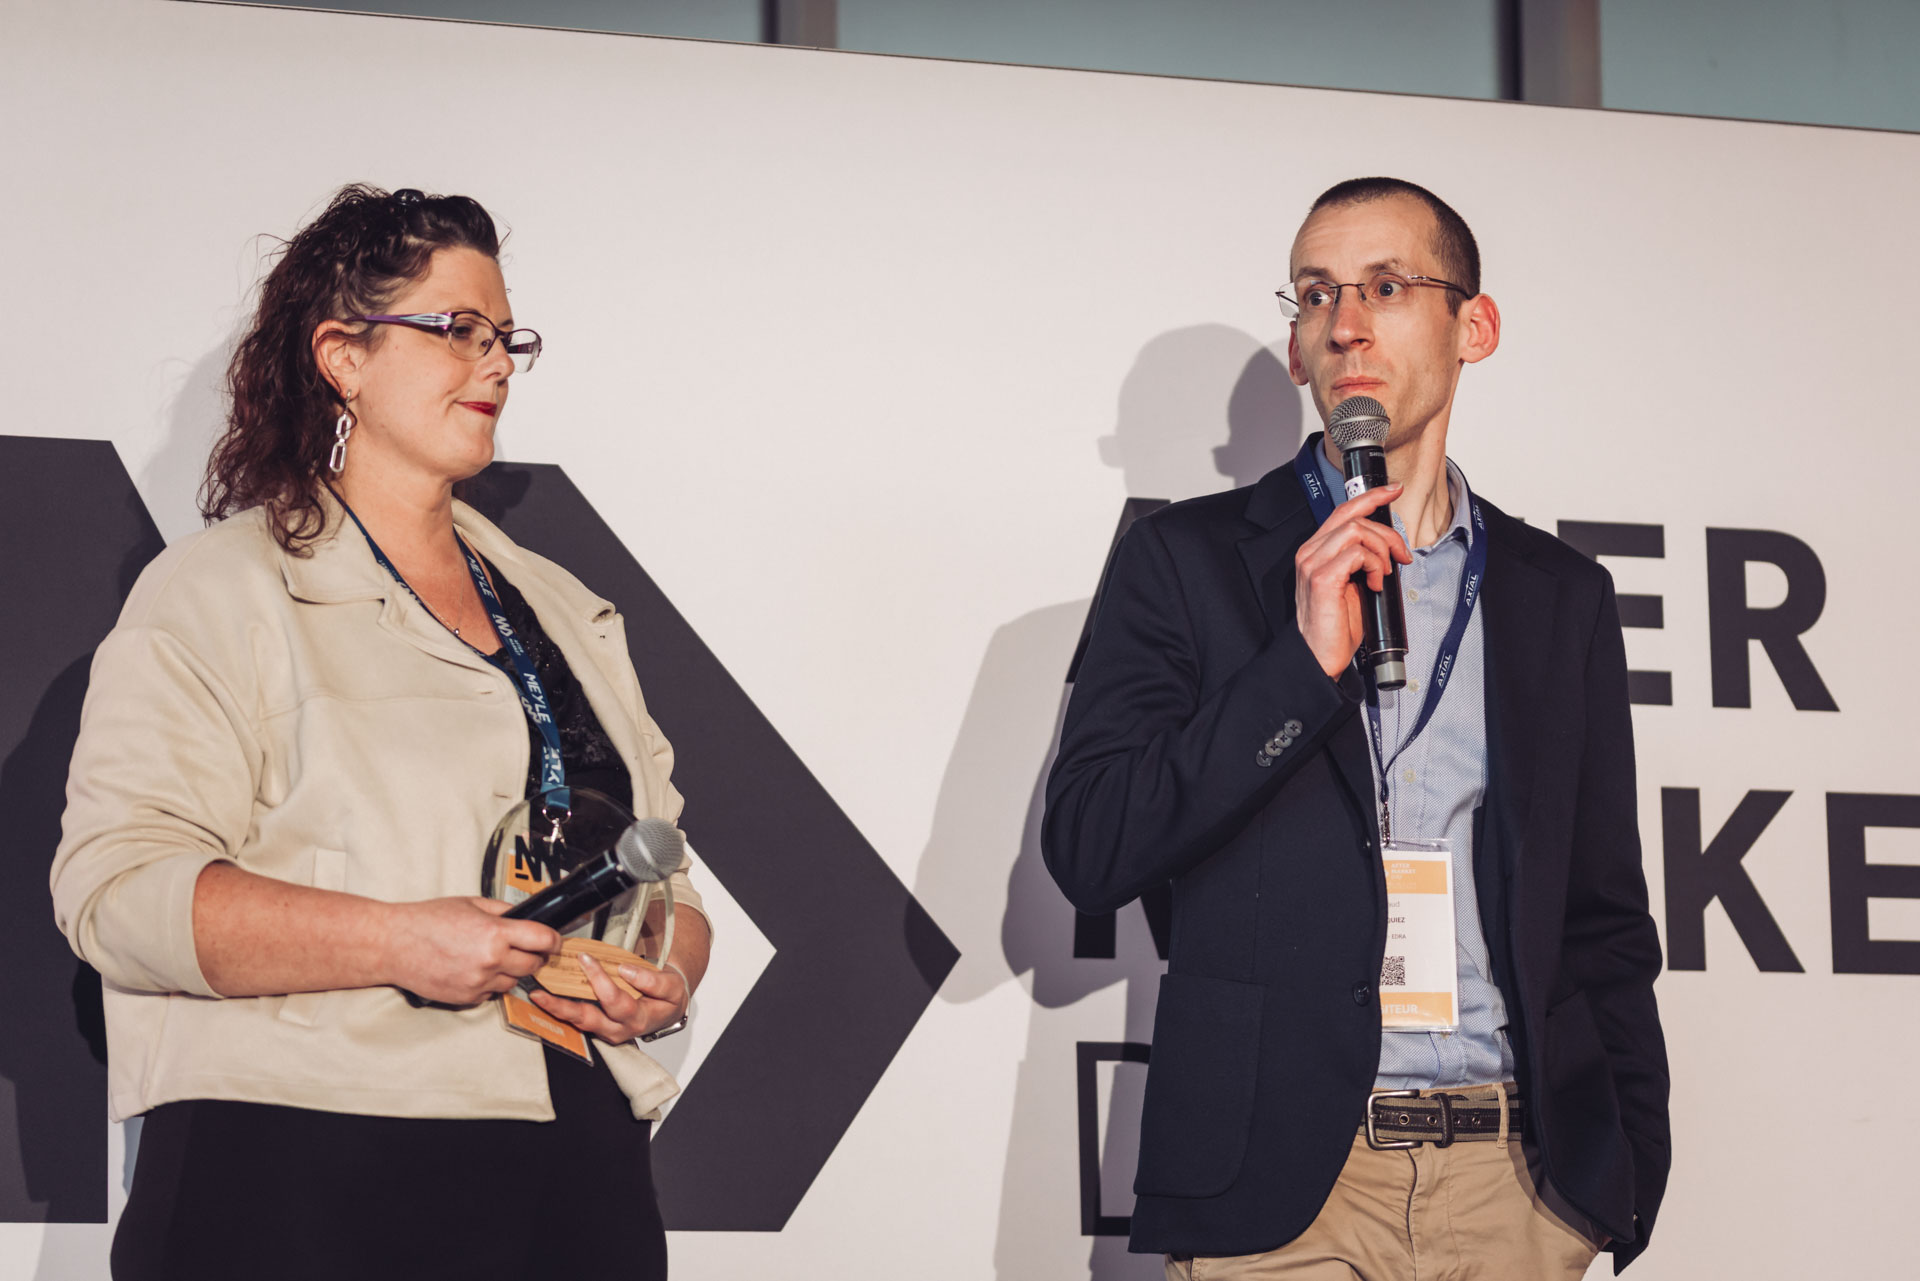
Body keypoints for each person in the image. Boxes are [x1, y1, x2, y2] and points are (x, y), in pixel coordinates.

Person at [50, 184, 712, 1280]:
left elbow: (669, 882)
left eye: (507, 338)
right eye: (458, 329)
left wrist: (663, 972)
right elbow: (117, 894)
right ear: (342, 356)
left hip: (574, 1160)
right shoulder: (219, 591)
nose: (495, 364)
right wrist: (398, 941)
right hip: (307, 1167)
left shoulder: (564, 608)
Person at [1042, 177, 1669, 1278]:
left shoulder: (1559, 593)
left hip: (1515, 1185)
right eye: (1317, 295)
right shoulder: (1183, 563)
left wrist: (1622, 1177)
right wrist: (1297, 668)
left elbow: (1603, 914)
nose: (1345, 325)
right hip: (1285, 1193)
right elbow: (1093, 847)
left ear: (1474, 327)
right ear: (1298, 351)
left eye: (1385, 287)